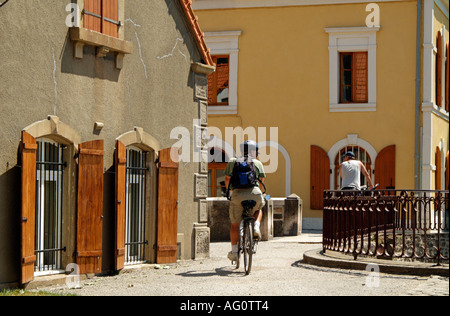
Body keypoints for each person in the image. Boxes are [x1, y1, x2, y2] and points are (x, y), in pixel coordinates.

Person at [224, 140, 266, 262]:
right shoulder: (257, 163)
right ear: (254, 151)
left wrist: (230, 191)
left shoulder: (233, 161)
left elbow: (227, 178)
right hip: (254, 193)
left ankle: (234, 252)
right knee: (258, 208)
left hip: (237, 194)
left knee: (235, 224)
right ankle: (256, 227)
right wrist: (257, 193)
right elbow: (261, 181)